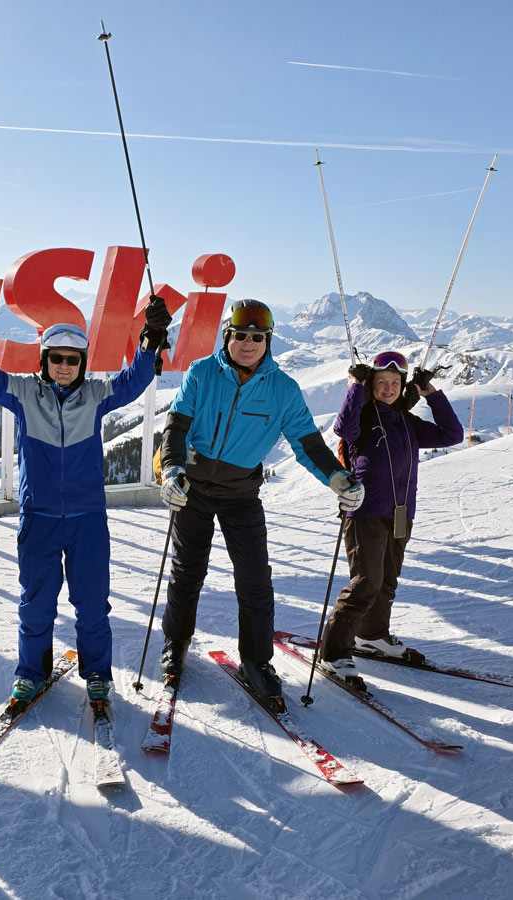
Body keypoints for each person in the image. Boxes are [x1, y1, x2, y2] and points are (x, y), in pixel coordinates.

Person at [0, 288, 170, 709]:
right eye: (56, 359)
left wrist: (151, 339)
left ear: (82, 363)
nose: (64, 366)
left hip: (87, 519)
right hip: (39, 517)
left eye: (72, 360)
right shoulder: (24, 393)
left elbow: (134, 380)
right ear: (44, 361)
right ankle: (30, 673)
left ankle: (98, 674)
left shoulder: (97, 396)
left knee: (92, 604)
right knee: (36, 603)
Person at [156, 299, 366, 709]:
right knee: (187, 570)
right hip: (192, 487)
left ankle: (255, 661)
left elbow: (308, 443)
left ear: (268, 341)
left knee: (255, 579)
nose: (248, 344)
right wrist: (172, 470)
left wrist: (337, 477)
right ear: (227, 337)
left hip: (241, 494)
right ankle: (175, 641)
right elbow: (176, 425)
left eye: (257, 337)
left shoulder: (283, 389)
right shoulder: (202, 372)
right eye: (240, 335)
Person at [319, 350, 463, 686]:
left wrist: (431, 393)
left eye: (395, 382)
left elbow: (451, 435)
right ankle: (333, 652)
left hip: (401, 513)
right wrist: (355, 387)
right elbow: (343, 428)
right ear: (372, 385)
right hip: (365, 512)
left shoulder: (406, 421)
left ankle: (372, 635)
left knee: (386, 581)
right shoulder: (363, 416)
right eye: (381, 381)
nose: (388, 388)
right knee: (365, 583)